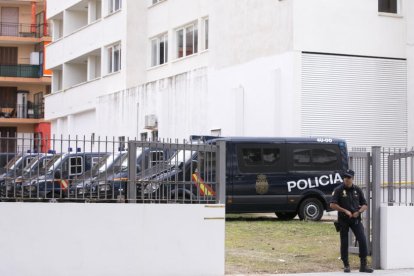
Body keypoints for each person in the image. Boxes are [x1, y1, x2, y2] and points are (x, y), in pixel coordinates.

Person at [330, 169, 374, 273]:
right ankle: (346, 265)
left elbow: (365, 205)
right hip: (343, 220)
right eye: (345, 177)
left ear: (353, 178)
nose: (346, 179)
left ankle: (363, 265)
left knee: (362, 240)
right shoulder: (338, 190)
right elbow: (332, 204)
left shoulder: (357, 190)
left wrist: (358, 212)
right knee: (344, 242)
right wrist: (345, 211)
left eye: (349, 177)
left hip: (355, 219)